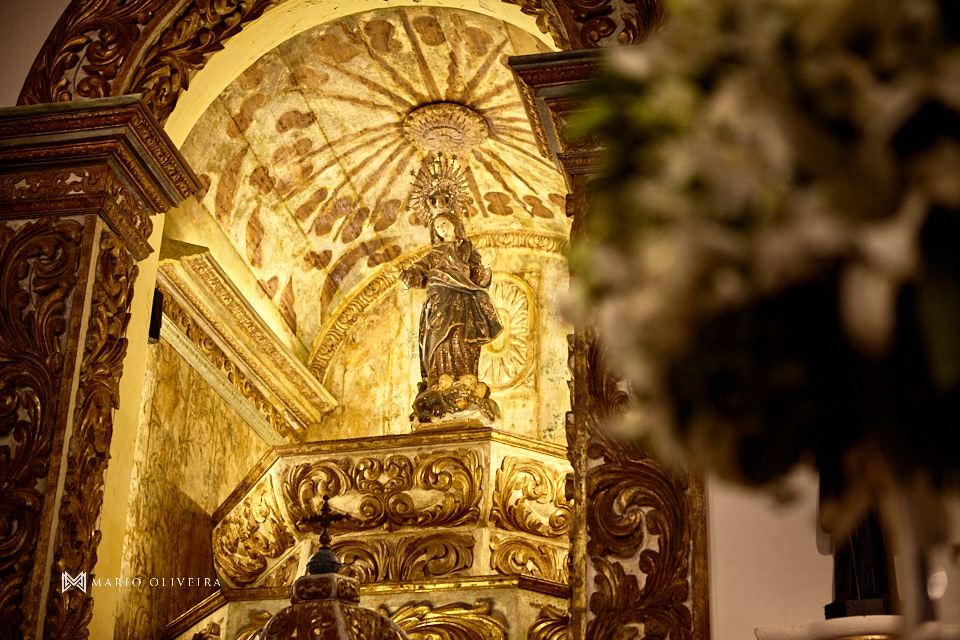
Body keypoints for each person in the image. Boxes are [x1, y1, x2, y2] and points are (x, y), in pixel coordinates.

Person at [400, 209, 502, 420]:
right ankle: (440, 380)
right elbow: (418, 275)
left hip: (463, 298)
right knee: (439, 339)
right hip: (438, 300)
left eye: (444, 223)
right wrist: (404, 275)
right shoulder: (433, 254)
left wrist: (486, 265)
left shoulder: (466, 248)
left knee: (460, 336)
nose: (441, 229)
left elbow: (478, 278)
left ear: (455, 224)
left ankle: (464, 378)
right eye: (437, 227)